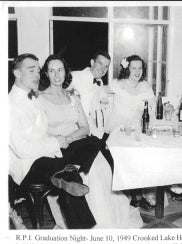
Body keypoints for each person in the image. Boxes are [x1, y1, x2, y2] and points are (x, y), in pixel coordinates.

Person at [39, 54, 142, 228]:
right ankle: (89, 221)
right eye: (52, 71)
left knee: (102, 164)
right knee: (96, 157)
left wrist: (70, 138)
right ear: (46, 74)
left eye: (60, 70)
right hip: (55, 147)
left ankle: (104, 218)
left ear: (65, 72)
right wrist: (60, 140)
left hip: (76, 140)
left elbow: (85, 127)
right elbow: (39, 132)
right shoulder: (39, 98)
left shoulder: (72, 95)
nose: (57, 75)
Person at [9, 53, 96, 229]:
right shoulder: (10, 105)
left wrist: (63, 140)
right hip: (28, 166)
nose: (36, 75)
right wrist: (57, 142)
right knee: (69, 173)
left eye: (37, 70)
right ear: (17, 73)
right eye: (31, 70)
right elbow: (22, 150)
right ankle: (84, 230)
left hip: (48, 155)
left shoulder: (31, 97)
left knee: (92, 143)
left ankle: (64, 175)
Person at [105, 55, 156, 211]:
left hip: (138, 127)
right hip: (118, 128)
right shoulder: (118, 84)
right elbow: (97, 91)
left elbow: (152, 108)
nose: (137, 71)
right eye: (134, 67)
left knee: (146, 153)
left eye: (140, 68)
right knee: (126, 153)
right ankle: (130, 194)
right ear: (127, 68)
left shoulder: (145, 86)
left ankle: (143, 193)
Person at [68, 50, 113, 168]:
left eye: (106, 67)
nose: (103, 69)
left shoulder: (99, 83)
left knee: (108, 155)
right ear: (92, 62)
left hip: (90, 130)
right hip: (73, 130)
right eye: (99, 63)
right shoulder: (74, 76)